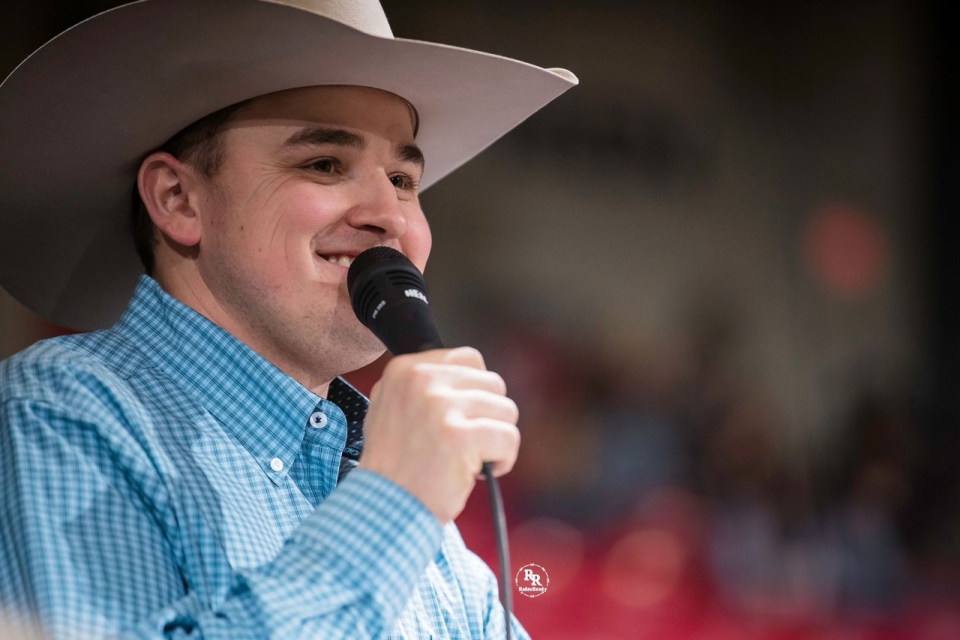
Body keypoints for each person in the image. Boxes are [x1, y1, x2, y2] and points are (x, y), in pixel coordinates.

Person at [0, 1, 576, 638]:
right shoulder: (56, 414)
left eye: (404, 178)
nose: (393, 217)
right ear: (177, 199)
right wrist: (393, 502)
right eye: (324, 163)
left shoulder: (439, 552)